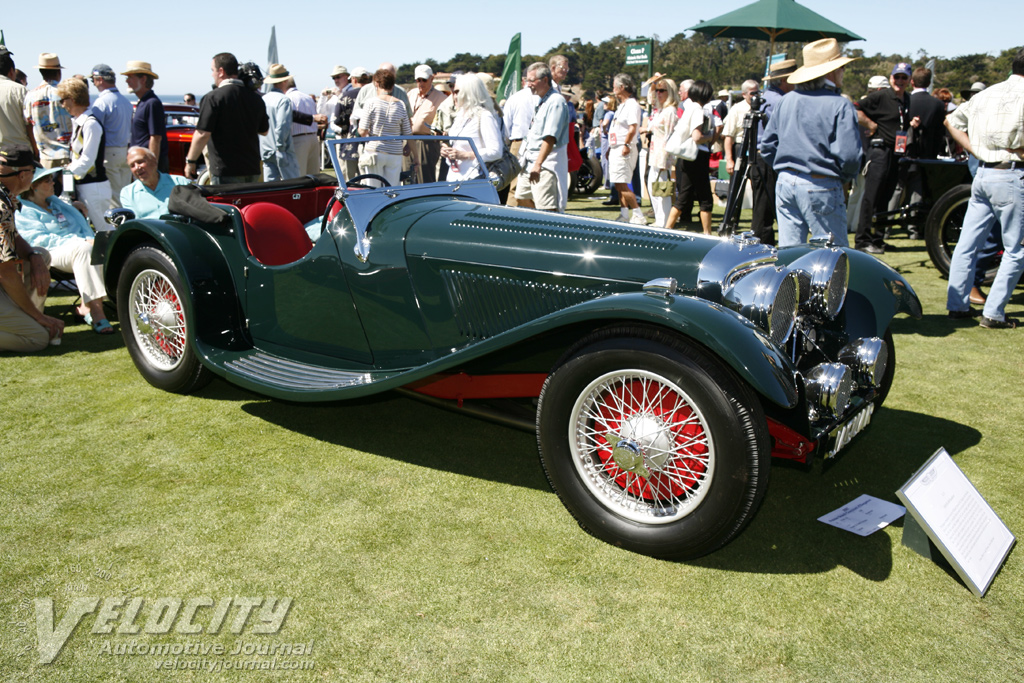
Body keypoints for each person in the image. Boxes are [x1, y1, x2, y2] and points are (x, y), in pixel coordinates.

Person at [944, 48, 1024, 329]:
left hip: (984, 174)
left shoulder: (987, 93)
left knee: (967, 243)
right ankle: (994, 312)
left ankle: (957, 306)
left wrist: (975, 150)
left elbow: (951, 121)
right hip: (1013, 175)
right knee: (1017, 249)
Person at [760, 39, 862, 247]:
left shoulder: (787, 100)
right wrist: (841, 177)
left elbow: (767, 146)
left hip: (786, 182)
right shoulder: (840, 104)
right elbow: (850, 156)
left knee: (790, 253)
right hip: (821, 182)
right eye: (842, 67)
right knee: (833, 258)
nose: (844, 71)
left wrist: (787, 169)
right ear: (831, 72)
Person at [16, 166, 113, 333]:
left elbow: (81, 227)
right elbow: (36, 239)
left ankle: (87, 306)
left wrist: (88, 238)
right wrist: (82, 241)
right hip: (50, 252)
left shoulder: (56, 203)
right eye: (48, 180)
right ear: (34, 186)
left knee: (107, 242)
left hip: (82, 248)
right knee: (84, 249)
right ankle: (97, 313)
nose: (53, 182)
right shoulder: (24, 210)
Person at [0, 143, 64, 351]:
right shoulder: (1, 204)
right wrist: (38, 317)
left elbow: (14, 238)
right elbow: (6, 273)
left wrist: (34, 255)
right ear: (23, 175)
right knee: (38, 338)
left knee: (41, 255)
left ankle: (29, 319)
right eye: (35, 171)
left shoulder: (6, 196)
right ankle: (34, 320)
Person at [855, 62, 921, 253]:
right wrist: (870, 125)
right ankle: (862, 240)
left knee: (886, 197)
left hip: (896, 153)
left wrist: (911, 124)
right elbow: (854, 108)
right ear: (891, 78)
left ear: (909, 81)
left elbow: (897, 121)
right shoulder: (882, 96)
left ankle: (878, 238)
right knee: (871, 197)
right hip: (880, 151)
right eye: (896, 77)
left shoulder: (906, 100)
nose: (899, 81)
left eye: (903, 77)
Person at [184, 53, 270, 185]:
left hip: (225, 169)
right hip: (251, 167)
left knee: (226, 205)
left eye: (212, 70)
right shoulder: (256, 99)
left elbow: (202, 134)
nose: (212, 75)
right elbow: (264, 131)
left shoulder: (213, 98)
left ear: (221, 71)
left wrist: (190, 161)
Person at [748, 59, 796, 246]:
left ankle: (762, 240)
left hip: (759, 155)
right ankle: (762, 244)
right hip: (768, 157)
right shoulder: (779, 101)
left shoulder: (766, 98)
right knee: (764, 207)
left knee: (762, 205)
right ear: (785, 81)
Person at [58, 77, 115, 231]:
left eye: (63, 100)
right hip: (84, 185)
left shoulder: (90, 124)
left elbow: (88, 160)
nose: (62, 105)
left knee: (105, 231)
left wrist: (65, 172)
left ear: (72, 99)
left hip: (94, 187)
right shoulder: (80, 123)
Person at [514, 62, 569, 212]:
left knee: (546, 208)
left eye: (532, 81)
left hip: (545, 164)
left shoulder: (556, 101)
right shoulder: (542, 101)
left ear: (545, 80)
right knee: (521, 197)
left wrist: (538, 164)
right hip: (530, 161)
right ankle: (538, 225)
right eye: (527, 80)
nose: (528, 85)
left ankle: (550, 231)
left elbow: (550, 137)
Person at [664, 80, 716, 234]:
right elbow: (697, 136)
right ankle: (707, 233)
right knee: (705, 198)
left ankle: (667, 229)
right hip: (697, 157)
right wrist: (710, 136)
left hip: (685, 158)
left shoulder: (689, 108)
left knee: (683, 197)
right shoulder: (699, 110)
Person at [440, 73, 503, 182]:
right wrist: (447, 151)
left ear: (469, 93)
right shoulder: (460, 115)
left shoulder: (484, 116)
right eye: (453, 92)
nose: (454, 96)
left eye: (457, 92)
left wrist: (465, 155)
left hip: (475, 178)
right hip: (455, 178)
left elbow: (496, 151)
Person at [356, 69, 411, 187]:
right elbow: (407, 132)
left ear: (376, 83)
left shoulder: (371, 102)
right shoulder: (400, 104)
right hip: (395, 152)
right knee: (393, 189)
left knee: (373, 188)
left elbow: (362, 130)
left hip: (375, 150)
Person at [89, 64, 133, 203]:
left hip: (109, 152)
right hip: (124, 150)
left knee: (113, 195)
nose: (93, 83)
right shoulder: (125, 101)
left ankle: (118, 224)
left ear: (99, 79)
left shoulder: (102, 102)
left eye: (93, 80)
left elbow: (95, 130)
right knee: (124, 191)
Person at [607, 73, 645, 224]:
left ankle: (638, 214)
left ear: (622, 87)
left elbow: (632, 128)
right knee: (617, 183)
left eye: (615, 86)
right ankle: (624, 214)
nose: (613, 89)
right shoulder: (622, 105)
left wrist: (627, 145)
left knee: (622, 182)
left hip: (625, 148)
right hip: (617, 147)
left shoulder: (632, 105)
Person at [24, 53, 72, 169]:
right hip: (68, 154)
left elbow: (28, 125)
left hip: (45, 155)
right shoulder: (66, 93)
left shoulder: (30, 96)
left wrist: (36, 150)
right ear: (59, 72)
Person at [120, 146, 190, 219]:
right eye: (132, 166)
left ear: (154, 161)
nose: (137, 167)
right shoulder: (128, 193)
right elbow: (133, 223)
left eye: (140, 162)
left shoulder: (180, 182)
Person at [123, 61, 168, 173]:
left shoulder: (151, 103)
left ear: (143, 79)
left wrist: (152, 167)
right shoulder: (144, 102)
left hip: (148, 168)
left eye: (130, 77)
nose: (127, 81)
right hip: (142, 166)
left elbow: (155, 138)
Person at [646, 78, 678, 228]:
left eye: (661, 90)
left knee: (662, 188)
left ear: (669, 92)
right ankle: (660, 219)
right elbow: (650, 98)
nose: (658, 93)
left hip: (662, 153)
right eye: (657, 90)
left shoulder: (670, 111)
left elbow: (670, 135)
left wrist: (667, 158)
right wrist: (653, 83)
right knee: (653, 186)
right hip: (654, 152)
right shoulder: (661, 110)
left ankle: (664, 221)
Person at [408, 65, 447, 184]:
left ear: (431, 79)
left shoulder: (441, 98)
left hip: (426, 142)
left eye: (424, 80)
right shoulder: (411, 94)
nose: (421, 83)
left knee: (425, 178)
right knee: (407, 177)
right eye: (418, 80)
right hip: (408, 140)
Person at [260, 64, 300, 182]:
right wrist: (280, 147)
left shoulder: (264, 99)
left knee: (270, 188)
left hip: (266, 149)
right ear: (285, 81)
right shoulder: (283, 100)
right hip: (282, 150)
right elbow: (282, 126)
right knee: (293, 185)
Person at [502, 75, 534, 206]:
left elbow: (505, 126)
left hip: (517, 142)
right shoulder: (542, 97)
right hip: (536, 142)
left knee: (515, 185)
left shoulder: (515, 98)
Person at [284, 73, 324, 175]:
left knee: (298, 176)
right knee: (314, 175)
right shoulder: (307, 97)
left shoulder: (287, 98)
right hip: (313, 137)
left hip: (297, 139)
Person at [0, 48, 34, 150]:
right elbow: (30, 124)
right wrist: (36, 150)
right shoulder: (20, 90)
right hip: (21, 153)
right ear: (11, 71)